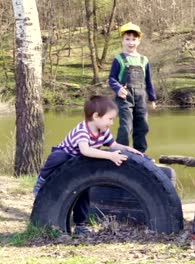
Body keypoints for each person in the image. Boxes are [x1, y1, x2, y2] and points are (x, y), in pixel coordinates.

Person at [32, 95, 143, 234]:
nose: (112, 123)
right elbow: (85, 150)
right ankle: (40, 182)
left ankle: (80, 225)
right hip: (67, 157)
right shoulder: (82, 131)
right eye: (110, 119)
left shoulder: (103, 131)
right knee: (58, 156)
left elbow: (113, 145)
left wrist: (129, 149)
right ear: (96, 116)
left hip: (81, 166)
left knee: (84, 192)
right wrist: (110, 156)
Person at [108, 22, 156, 154]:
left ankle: (140, 153)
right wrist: (118, 89)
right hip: (125, 98)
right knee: (126, 126)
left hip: (141, 97)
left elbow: (148, 80)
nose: (131, 42)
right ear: (122, 40)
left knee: (142, 126)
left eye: (134, 39)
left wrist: (152, 98)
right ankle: (121, 152)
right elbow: (111, 79)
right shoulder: (119, 59)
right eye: (127, 39)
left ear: (139, 40)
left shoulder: (144, 60)